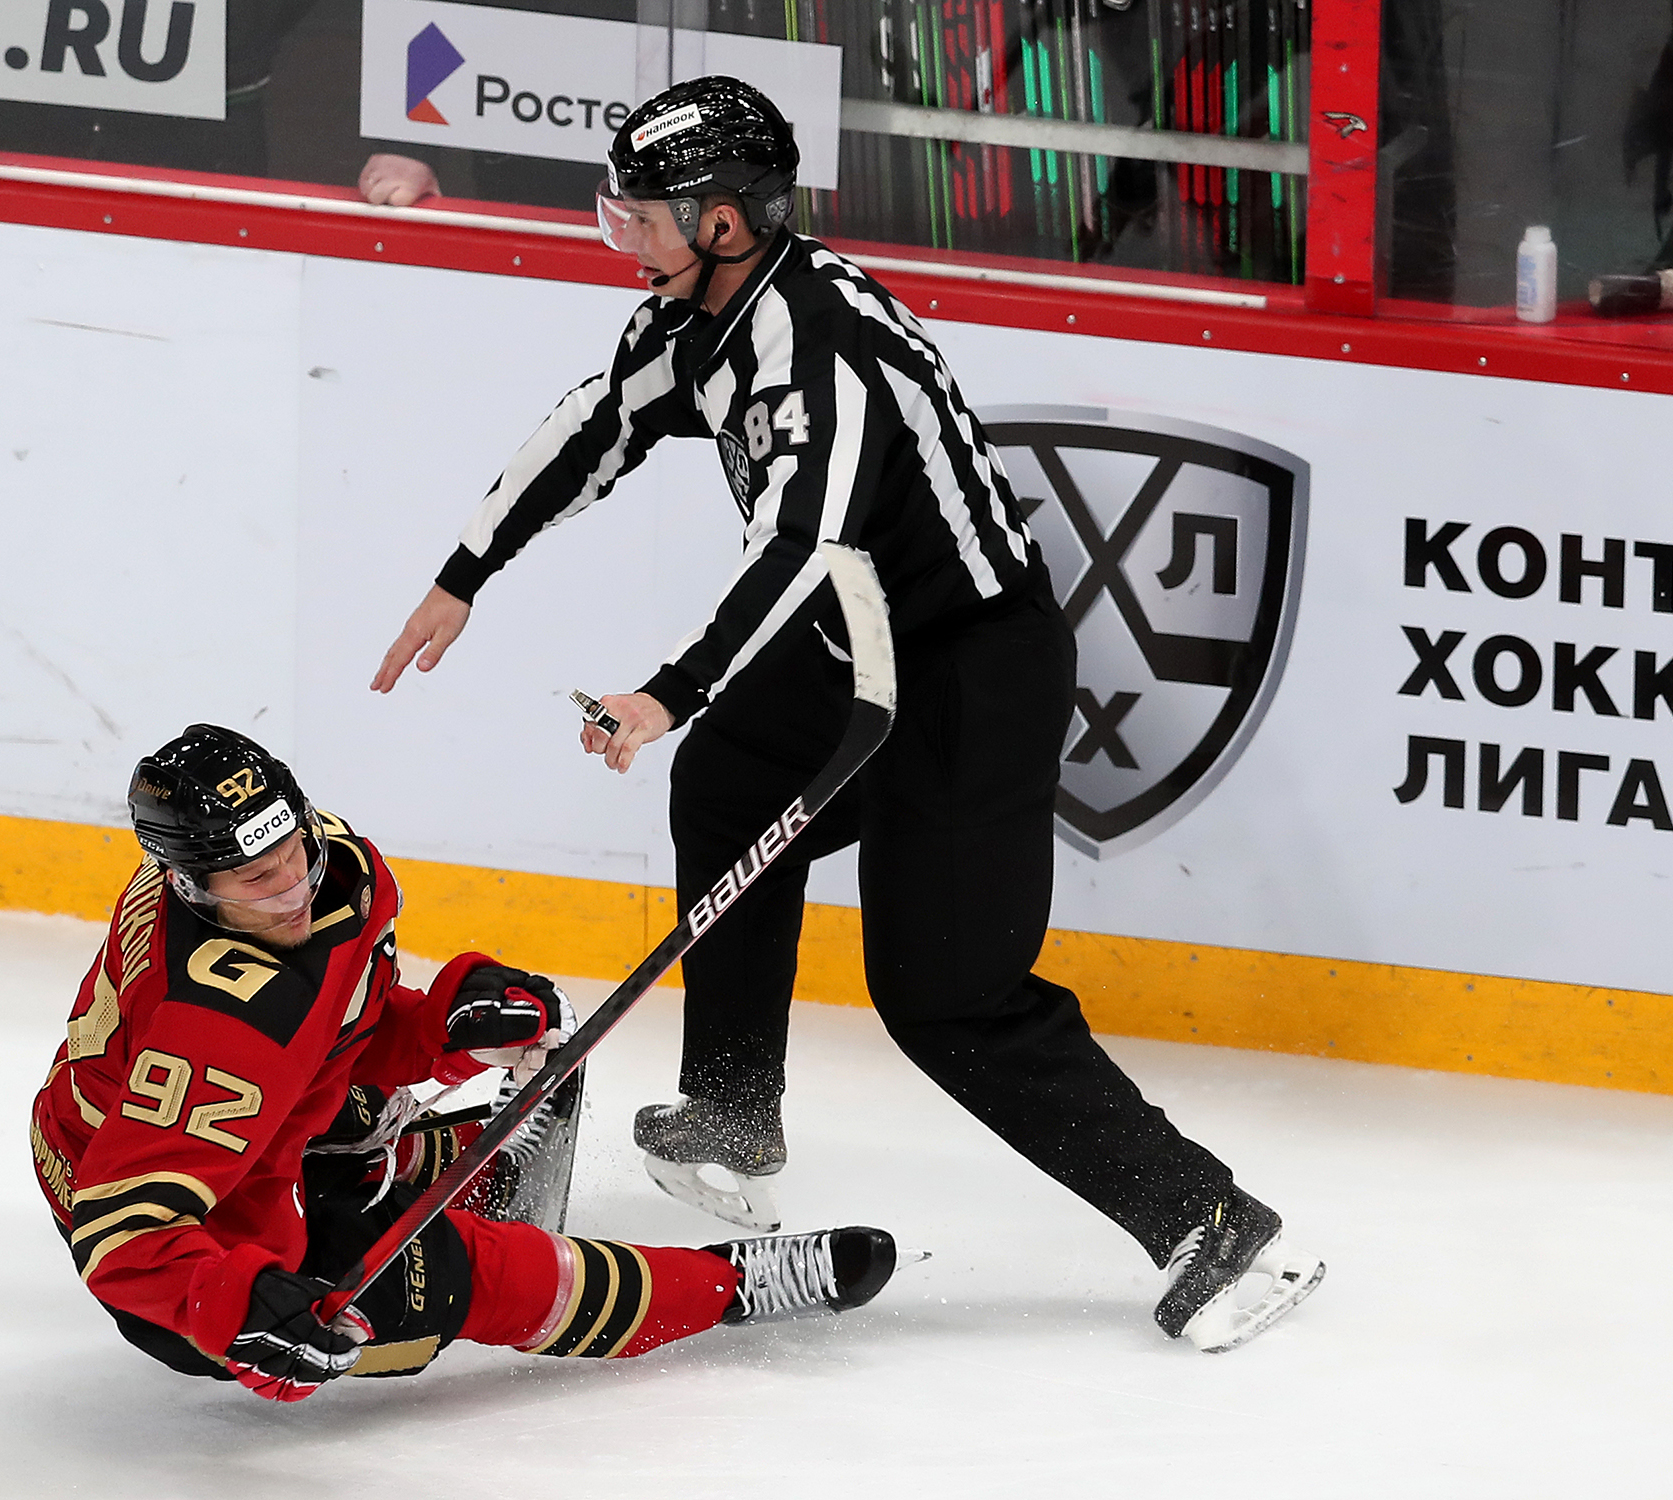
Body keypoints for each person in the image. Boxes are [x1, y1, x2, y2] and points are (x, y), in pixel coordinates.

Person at [372, 76, 1323, 1353]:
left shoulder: (822, 349)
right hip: (849, 641)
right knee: (722, 786)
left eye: (643, 212)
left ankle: (1206, 1217)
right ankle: (729, 1109)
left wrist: (666, 691)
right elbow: (595, 427)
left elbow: (795, 546)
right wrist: (464, 571)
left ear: (723, 221)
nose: (622, 232)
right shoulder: (693, 311)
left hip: (968, 673)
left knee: (947, 999)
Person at [30, 722, 899, 1401]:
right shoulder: (218, 1032)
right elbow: (124, 1235)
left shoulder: (321, 870)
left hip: (199, 1127)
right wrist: (237, 1308)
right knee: (460, 1273)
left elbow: (335, 1031)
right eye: (257, 881)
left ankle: (425, 1163)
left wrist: (448, 1023)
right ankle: (732, 1286)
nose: (294, 886)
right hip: (179, 1233)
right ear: (187, 883)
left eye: (291, 850)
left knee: (351, 1113)